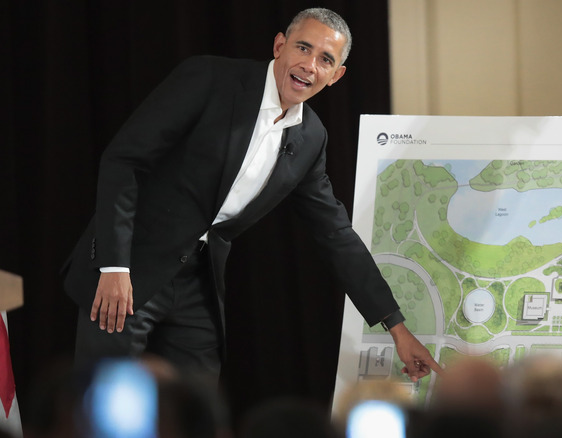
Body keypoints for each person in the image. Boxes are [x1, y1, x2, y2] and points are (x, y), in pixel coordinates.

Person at [62, 8, 441, 384]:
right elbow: (124, 160)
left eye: (325, 59)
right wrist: (114, 267)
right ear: (280, 46)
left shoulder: (311, 137)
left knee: (198, 415)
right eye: (303, 48)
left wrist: (397, 328)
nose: (310, 65)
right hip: (130, 268)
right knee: (104, 405)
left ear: (336, 75)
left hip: (199, 285)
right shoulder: (210, 78)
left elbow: (335, 233)